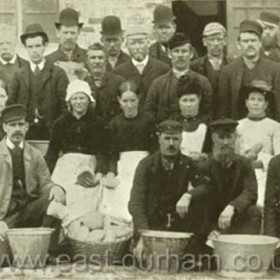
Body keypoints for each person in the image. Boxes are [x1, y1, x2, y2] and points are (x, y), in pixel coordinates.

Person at [129, 120, 212, 260]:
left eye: (176, 139)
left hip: (178, 226)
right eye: (167, 138)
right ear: (159, 138)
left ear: (181, 139)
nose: (171, 143)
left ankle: (195, 249)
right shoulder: (146, 165)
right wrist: (144, 235)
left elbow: (206, 186)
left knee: (201, 203)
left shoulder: (188, 163)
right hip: (152, 226)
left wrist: (188, 195)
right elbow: (136, 203)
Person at [0, 104, 65, 254]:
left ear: (27, 127)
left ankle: (49, 250)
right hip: (5, 215)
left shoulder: (34, 154)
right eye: (12, 125)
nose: (17, 129)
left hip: (29, 212)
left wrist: (54, 188)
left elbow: (45, 182)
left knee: (55, 197)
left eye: (21, 124)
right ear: (5, 127)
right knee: (3, 259)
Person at [102, 81, 157, 222]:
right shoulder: (114, 124)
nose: (129, 105)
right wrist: (111, 172)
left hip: (145, 165)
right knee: (115, 194)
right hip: (123, 167)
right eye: (125, 101)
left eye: (133, 100)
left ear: (139, 99)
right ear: (119, 101)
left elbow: (154, 149)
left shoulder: (149, 120)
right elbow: (112, 153)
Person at [200, 118, 262, 239]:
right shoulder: (204, 167)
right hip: (213, 221)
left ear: (235, 138)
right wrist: (209, 229)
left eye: (229, 137)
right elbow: (201, 201)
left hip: (237, 215)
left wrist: (232, 206)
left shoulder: (244, 164)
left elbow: (251, 192)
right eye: (221, 137)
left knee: (254, 211)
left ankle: (246, 247)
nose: (225, 142)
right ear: (213, 138)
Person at [7, 24, 69, 140]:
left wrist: (58, 130)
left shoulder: (57, 73)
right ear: (25, 48)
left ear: (45, 46)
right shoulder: (18, 75)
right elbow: (11, 104)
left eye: (37, 46)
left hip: (51, 132)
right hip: (25, 132)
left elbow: (64, 107)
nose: (34, 51)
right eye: (30, 47)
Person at [45, 80, 106, 192]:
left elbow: (102, 151)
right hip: (66, 167)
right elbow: (52, 152)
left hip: (89, 167)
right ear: (69, 101)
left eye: (82, 98)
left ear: (89, 100)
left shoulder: (98, 123)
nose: (78, 102)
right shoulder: (60, 124)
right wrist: (46, 176)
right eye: (75, 98)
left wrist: (100, 172)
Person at [145, 32, 213, 124]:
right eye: (176, 51)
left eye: (184, 51)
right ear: (169, 54)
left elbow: (208, 112)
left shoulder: (203, 82)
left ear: (191, 54)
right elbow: (149, 113)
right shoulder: (158, 84)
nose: (180, 55)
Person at [219, 20, 280, 121]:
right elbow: (224, 107)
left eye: (253, 40)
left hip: (267, 127)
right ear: (239, 44)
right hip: (238, 126)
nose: (250, 44)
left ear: (260, 43)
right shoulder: (228, 71)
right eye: (245, 41)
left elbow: (278, 104)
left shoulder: (275, 69)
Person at [236, 80, 280, 207]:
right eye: (252, 99)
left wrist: (260, 161)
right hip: (242, 174)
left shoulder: (275, 127)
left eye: (260, 100)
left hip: (265, 175)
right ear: (246, 102)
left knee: (261, 205)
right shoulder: (238, 126)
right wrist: (244, 159)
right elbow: (234, 154)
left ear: (266, 104)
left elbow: (278, 157)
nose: (255, 103)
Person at [114, 26, 170, 109]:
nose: (137, 47)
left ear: (148, 43)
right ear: (127, 46)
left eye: (141, 42)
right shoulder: (119, 72)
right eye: (133, 43)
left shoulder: (163, 69)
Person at [191, 22, 232, 119]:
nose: (216, 43)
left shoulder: (233, 66)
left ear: (225, 41)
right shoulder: (194, 66)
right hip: (203, 118)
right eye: (212, 40)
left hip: (226, 118)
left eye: (219, 39)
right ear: (204, 42)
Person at [169, 75, 211, 160]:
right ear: (178, 101)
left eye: (192, 100)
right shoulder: (172, 122)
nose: (188, 105)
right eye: (184, 100)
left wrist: (204, 156)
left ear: (199, 99)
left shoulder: (208, 122)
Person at [85, 42, 124, 124]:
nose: (97, 61)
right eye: (93, 58)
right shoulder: (82, 84)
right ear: (87, 62)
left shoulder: (119, 81)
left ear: (106, 61)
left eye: (100, 57)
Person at [46, 8, 88, 80]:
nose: (69, 37)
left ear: (78, 33)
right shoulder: (49, 60)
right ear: (58, 33)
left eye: (72, 33)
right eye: (65, 32)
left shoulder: (87, 57)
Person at [0, 25, 28, 91]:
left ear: (15, 43)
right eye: (1, 44)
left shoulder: (27, 66)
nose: (5, 47)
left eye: (8, 43)